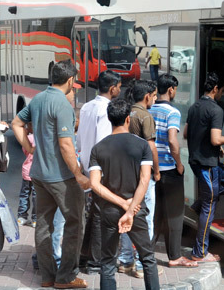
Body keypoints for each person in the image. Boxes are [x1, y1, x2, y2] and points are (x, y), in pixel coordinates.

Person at [11, 61, 89, 289]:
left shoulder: (38, 98)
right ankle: (65, 277)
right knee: (75, 223)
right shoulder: (63, 104)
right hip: (61, 177)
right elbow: (66, 145)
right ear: (71, 80)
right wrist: (78, 174)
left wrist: (30, 147)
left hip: (39, 174)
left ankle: (47, 276)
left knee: (44, 225)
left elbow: (16, 123)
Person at [89, 99, 160, 290]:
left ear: (110, 119)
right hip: (136, 210)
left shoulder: (99, 148)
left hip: (110, 211)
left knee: (108, 261)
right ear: (128, 119)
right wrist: (129, 209)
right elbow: (145, 180)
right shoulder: (142, 146)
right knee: (147, 258)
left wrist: (121, 204)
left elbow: (94, 184)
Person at [184, 72, 224, 263]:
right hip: (207, 165)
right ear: (215, 89)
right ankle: (199, 252)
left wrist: (215, 145)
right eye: (222, 90)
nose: (222, 94)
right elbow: (215, 139)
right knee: (209, 206)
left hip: (198, 162)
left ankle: (197, 205)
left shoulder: (194, 106)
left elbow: (187, 133)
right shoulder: (216, 110)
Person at [78, 70, 123, 274]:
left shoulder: (87, 106)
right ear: (112, 87)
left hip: (86, 164)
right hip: (99, 169)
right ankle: (95, 261)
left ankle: (85, 255)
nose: (120, 90)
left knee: (93, 213)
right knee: (98, 214)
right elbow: (104, 144)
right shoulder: (106, 109)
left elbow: (80, 140)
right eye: (119, 86)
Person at [151, 74, 197, 268]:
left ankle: (145, 255)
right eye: (175, 89)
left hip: (151, 169)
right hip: (169, 169)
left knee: (155, 214)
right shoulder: (172, 112)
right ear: (170, 90)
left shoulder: (148, 109)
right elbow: (172, 140)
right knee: (175, 215)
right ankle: (174, 256)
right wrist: (179, 164)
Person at [118, 80, 161, 278]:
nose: (155, 99)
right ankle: (143, 264)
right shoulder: (145, 116)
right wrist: (157, 171)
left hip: (126, 173)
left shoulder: (127, 114)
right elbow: (152, 147)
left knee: (128, 215)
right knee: (146, 219)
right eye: (154, 95)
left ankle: (126, 261)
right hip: (144, 175)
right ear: (147, 96)